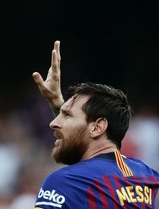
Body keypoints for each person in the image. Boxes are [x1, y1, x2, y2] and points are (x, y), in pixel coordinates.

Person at [32, 41, 159, 208]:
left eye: (67, 115)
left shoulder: (64, 183)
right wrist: (60, 106)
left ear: (98, 127)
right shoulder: (148, 176)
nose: (53, 123)